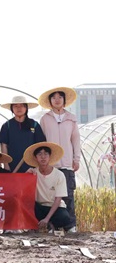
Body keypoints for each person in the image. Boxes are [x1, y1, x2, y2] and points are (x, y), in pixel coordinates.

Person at [38, 87, 80, 229]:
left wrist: (76, 159)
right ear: (50, 101)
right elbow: (42, 142)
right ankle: (53, 226)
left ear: (64, 100)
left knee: (68, 195)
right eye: (54, 97)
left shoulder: (71, 119)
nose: (57, 100)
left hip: (67, 163)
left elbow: (75, 140)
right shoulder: (45, 119)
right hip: (51, 165)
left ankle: (71, 226)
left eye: (60, 97)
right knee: (50, 197)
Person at [23, 142, 76, 233]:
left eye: (46, 154)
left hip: (55, 207)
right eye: (40, 154)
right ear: (36, 158)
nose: (43, 157)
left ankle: (53, 225)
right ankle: (45, 226)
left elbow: (58, 199)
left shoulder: (59, 175)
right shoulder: (33, 173)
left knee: (64, 217)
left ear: (50, 156)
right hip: (39, 207)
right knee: (27, 206)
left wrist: (47, 218)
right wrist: (26, 176)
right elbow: (22, 191)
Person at [0, 95, 45, 173]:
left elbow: (40, 145)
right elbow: (4, 145)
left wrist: (38, 165)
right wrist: (6, 165)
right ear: (12, 109)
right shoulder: (7, 125)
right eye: (15, 106)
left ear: (26, 108)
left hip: (31, 167)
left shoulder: (34, 124)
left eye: (22, 106)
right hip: (12, 166)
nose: (19, 108)